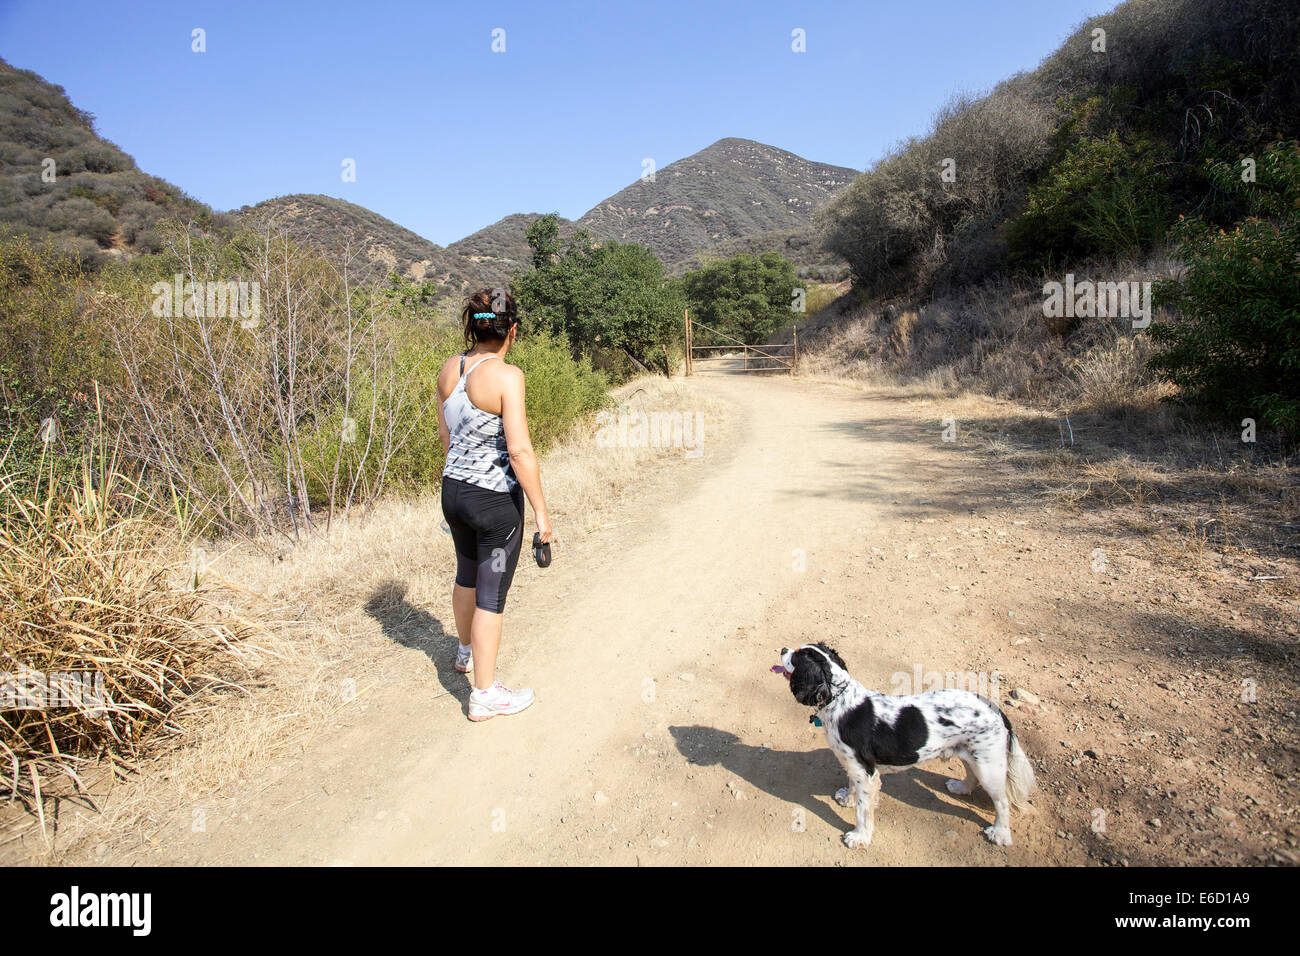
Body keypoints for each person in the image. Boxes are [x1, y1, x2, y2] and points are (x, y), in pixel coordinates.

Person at [437, 289, 552, 721]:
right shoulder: (507, 376)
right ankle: (484, 693)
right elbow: (520, 453)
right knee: (491, 593)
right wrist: (540, 510)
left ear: (476, 324)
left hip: (454, 493)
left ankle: (466, 652)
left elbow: (448, 442)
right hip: (494, 505)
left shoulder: (449, 369)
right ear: (512, 331)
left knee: (466, 573)